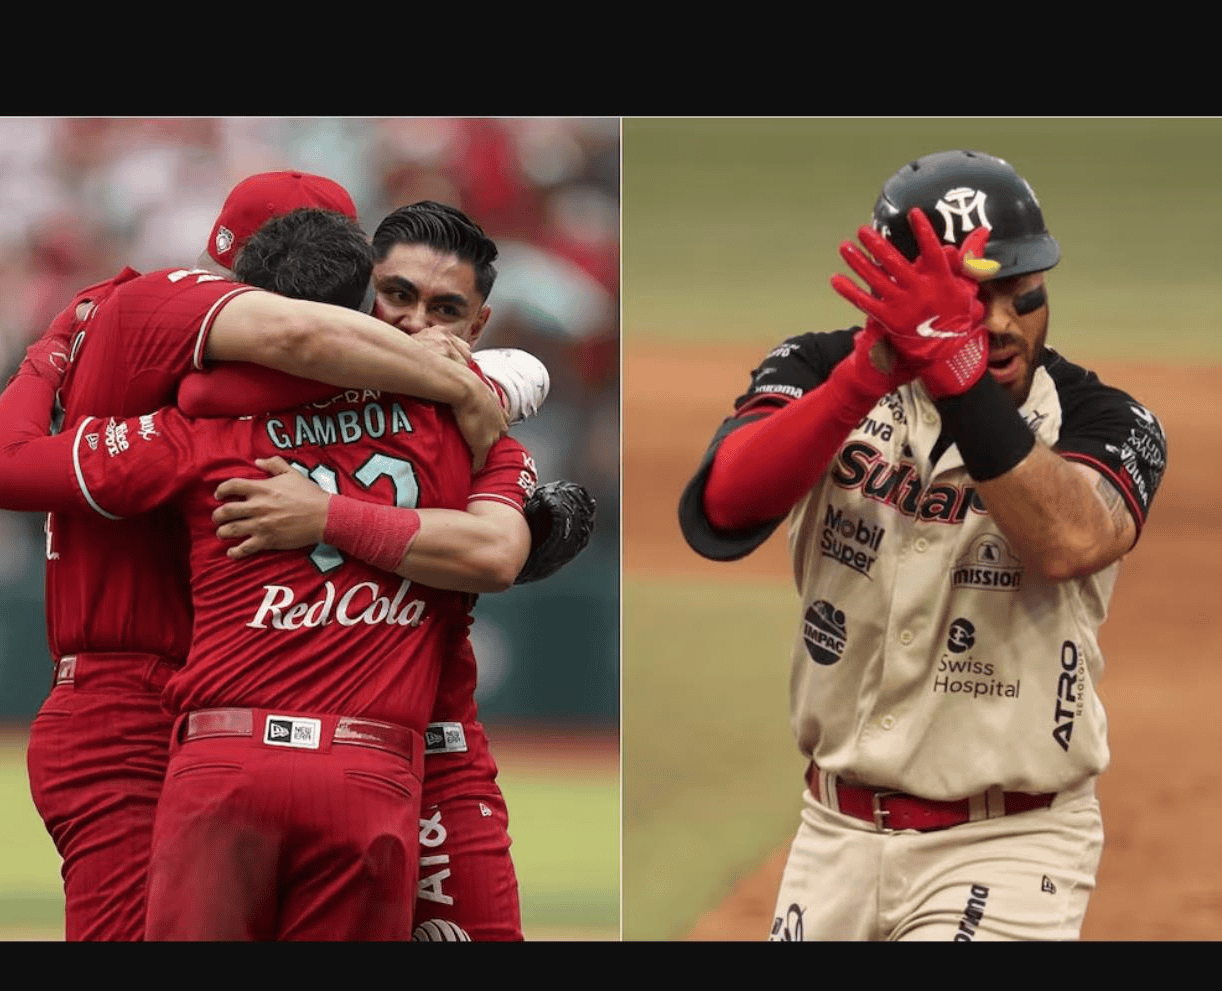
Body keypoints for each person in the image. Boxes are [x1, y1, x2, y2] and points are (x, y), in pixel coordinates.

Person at [0, 170, 515, 941]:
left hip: (205, 705)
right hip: (130, 701)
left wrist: (49, 352)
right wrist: (471, 381)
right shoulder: (172, 307)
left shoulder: (203, 403)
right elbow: (296, 337)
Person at [677, 149, 1168, 941]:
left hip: (1009, 843)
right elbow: (723, 509)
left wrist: (959, 374)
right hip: (831, 836)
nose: (1005, 322)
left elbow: (1071, 540)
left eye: (1024, 293)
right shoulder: (823, 369)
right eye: (974, 299)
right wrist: (868, 373)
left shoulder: (1103, 419)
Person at [190, 200, 589, 940]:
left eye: (444, 310)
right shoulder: (260, 398)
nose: (411, 322)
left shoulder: (484, 438)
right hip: (265, 747)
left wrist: (323, 516)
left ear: (476, 327)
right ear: (355, 289)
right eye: (396, 294)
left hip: (432, 746)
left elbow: (495, 555)